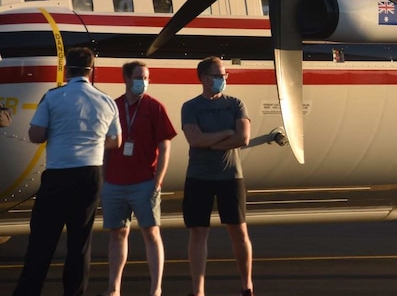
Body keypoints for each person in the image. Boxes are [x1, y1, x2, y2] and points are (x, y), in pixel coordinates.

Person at [14, 46, 122, 296]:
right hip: (91, 175)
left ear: (66, 69)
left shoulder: (53, 97)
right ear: (91, 69)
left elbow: (36, 134)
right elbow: (115, 141)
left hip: (59, 174)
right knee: (80, 244)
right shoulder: (106, 101)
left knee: (42, 242)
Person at [101, 61, 177, 296]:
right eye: (139, 77)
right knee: (117, 233)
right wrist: (105, 178)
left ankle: (156, 289)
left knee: (151, 232)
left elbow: (165, 147)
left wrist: (157, 181)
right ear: (125, 79)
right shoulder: (113, 107)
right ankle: (114, 289)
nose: (143, 82)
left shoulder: (155, 107)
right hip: (115, 183)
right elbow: (104, 145)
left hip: (144, 182)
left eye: (146, 77)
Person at [182, 56, 254, 296]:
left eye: (224, 75)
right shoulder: (190, 107)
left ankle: (246, 285)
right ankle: (198, 290)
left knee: (239, 231)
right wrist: (224, 133)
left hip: (230, 177)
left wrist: (210, 142)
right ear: (203, 78)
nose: (223, 79)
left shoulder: (235, 103)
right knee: (198, 232)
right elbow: (195, 139)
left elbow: (242, 138)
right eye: (218, 75)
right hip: (199, 177)